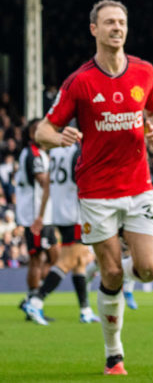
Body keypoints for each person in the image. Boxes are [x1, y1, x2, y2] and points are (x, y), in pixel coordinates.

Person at [35, 0, 153, 376]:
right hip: (96, 192)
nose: (117, 28)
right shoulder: (80, 81)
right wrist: (57, 137)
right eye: (109, 22)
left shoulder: (145, 72)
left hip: (139, 186)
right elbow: (43, 128)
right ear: (94, 29)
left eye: (122, 22)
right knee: (111, 274)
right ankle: (114, 355)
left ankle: (111, 271)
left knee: (150, 270)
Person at [29, 139, 102, 323]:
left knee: (79, 262)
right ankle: (36, 301)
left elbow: (48, 184)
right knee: (67, 260)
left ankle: (85, 310)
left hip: (60, 211)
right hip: (74, 212)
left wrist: (42, 213)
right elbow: (82, 181)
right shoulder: (77, 151)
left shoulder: (56, 151)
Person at [15, 118, 58, 325]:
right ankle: (33, 301)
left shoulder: (38, 153)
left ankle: (32, 300)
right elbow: (43, 181)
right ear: (33, 134)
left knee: (54, 257)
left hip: (43, 215)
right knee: (37, 259)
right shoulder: (33, 153)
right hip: (36, 216)